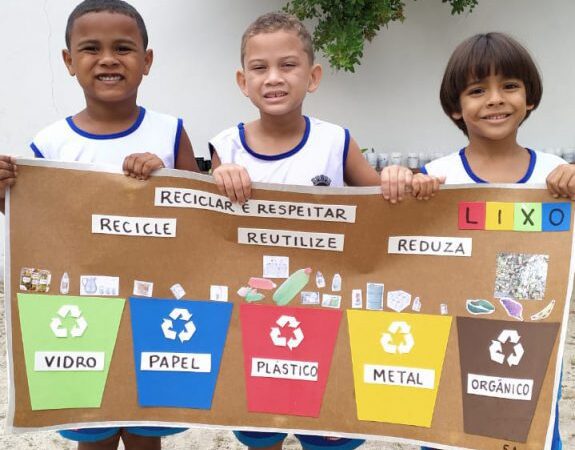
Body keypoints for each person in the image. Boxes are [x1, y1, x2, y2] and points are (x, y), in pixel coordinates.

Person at [209, 11, 442, 450]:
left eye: (288, 65)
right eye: (260, 68)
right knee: (261, 430)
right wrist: (220, 178)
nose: (273, 78)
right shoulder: (227, 147)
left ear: (312, 76)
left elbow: (382, 207)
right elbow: (212, 227)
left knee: (329, 431)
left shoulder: (336, 141)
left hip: (327, 312)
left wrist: (396, 178)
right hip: (255, 309)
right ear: (243, 81)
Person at [0, 0, 199, 449]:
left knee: (146, 425)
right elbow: (36, 226)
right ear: (69, 61)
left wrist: (166, 175)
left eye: (124, 48)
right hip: (80, 309)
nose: (108, 58)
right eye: (91, 48)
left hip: (155, 304)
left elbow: (198, 220)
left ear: (147, 61)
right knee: (92, 424)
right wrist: (5, 194)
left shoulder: (171, 132)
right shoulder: (49, 144)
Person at [383, 32, 572, 450]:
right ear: (456, 107)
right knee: (451, 429)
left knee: (525, 430)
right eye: (476, 90)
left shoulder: (556, 175)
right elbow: (398, 251)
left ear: (530, 97)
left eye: (509, 85)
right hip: (451, 341)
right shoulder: (437, 177)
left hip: (529, 345)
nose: (495, 99)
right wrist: (397, 186)